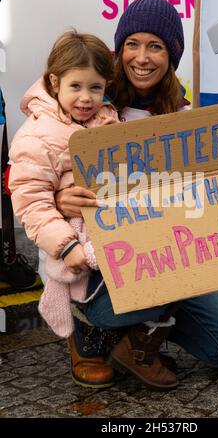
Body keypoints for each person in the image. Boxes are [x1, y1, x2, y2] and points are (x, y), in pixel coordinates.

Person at [55, 0, 218, 390]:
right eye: (132, 43)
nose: (142, 57)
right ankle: (88, 335)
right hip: (101, 264)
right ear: (119, 50)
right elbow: (34, 175)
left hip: (168, 262)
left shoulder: (184, 115)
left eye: (155, 46)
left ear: (171, 55)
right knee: (151, 292)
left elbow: (205, 206)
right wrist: (60, 199)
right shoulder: (89, 100)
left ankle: (134, 339)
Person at [8, 30, 118, 387]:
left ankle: (126, 333)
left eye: (95, 88)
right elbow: (30, 197)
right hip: (67, 242)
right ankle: (83, 335)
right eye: (76, 87)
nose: (86, 98)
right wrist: (65, 244)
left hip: (108, 230)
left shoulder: (110, 120)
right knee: (75, 282)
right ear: (55, 82)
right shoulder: (36, 134)